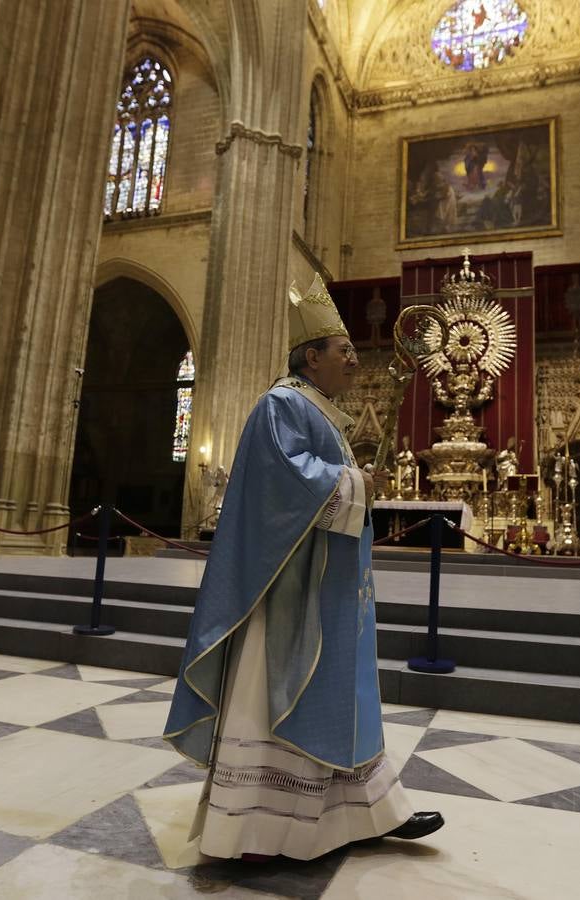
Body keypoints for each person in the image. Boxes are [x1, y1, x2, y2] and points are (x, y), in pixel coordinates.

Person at [163, 274, 443, 861]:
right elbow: (285, 484)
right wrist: (357, 482)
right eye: (344, 351)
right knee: (280, 699)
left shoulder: (318, 409)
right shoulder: (281, 403)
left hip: (330, 588)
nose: (353, 362)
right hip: (289, 594)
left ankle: (362, 814)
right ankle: (259, 832)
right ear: (311, 357)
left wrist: (358, 483)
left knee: (345, 695)